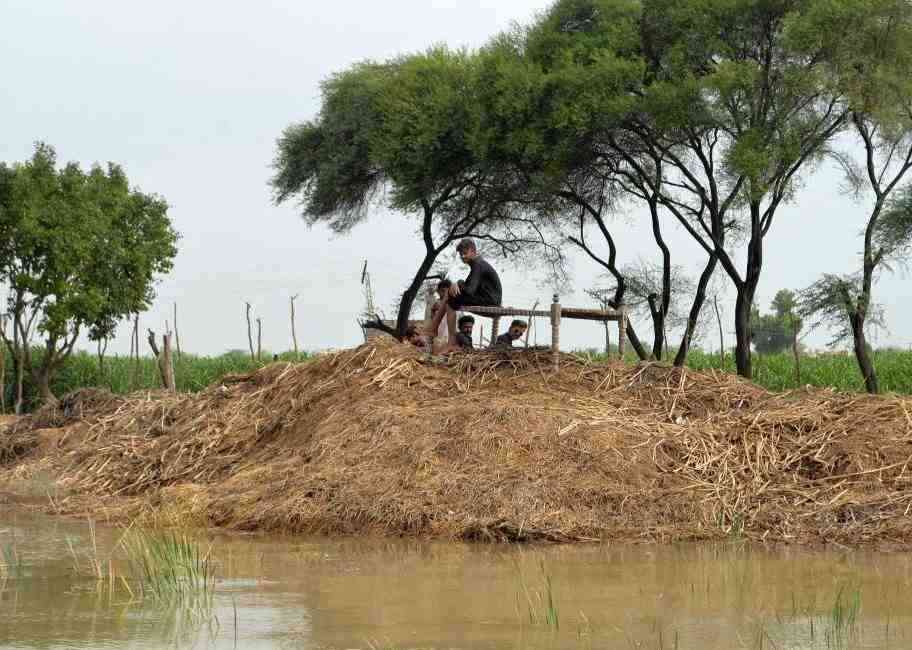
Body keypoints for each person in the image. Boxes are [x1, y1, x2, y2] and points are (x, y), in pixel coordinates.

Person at [427, 238, 502, 352]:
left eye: (465, 253)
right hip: (488, 298)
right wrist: (458, 284)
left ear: (473, 251)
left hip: (490, 301)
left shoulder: (478, 264)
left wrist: (458, 283)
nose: (462, 256)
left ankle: (446, 337)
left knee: (451, 298)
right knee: (451, 294)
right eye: (461, 254)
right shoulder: (477, 264)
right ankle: (434, 329)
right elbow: (468, 287)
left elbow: (469, 290)